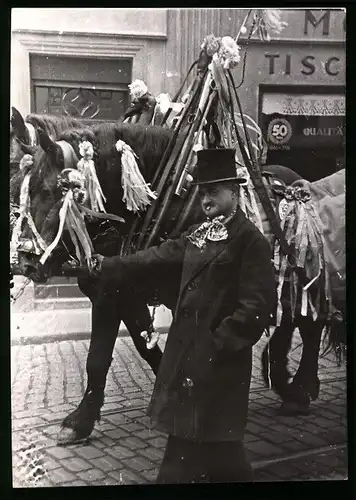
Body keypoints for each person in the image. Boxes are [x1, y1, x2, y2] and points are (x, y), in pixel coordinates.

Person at [92, 148, 277, 484]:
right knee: (211, 452)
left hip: (218, 367)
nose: (205, 200)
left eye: (213, 192)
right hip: (190, 363)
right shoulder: (200, 232)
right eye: (202, 192)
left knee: (204, 452)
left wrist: (213, 346)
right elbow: (158, 256)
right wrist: (107, 266)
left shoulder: (249, 240)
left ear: (234, 194)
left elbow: (257, 307)